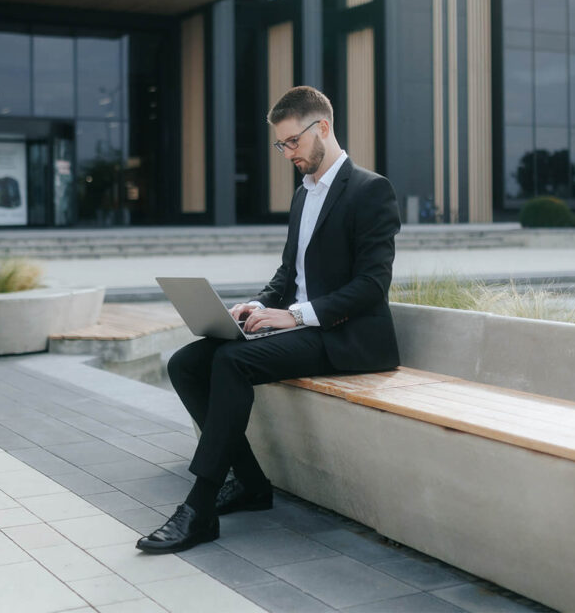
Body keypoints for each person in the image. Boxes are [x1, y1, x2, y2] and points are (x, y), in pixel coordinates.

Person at [136, 86, 401, 554]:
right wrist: (257, 306)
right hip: (299, 329)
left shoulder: (370, 190)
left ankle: (199, 508)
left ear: (322, 128)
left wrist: (294, 315)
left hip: (345, 337)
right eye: (281, 145)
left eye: (292, 142)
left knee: (231, 362)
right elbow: (288, 272)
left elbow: (371, 286)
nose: (287, 154)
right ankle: (252, 483)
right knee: (185, 364)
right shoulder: (303, 194)